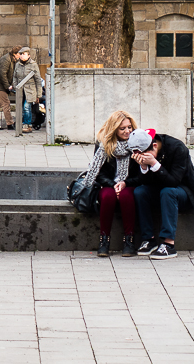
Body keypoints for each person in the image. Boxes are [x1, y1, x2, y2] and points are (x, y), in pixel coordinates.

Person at [127, 128, 194, 259]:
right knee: (140, 192)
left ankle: (169, 244)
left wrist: (154, 164)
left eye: (145, 156)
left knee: (168, 192)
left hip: (183, 191)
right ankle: (148, 239)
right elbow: (142, 181)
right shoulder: (140, 151)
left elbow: (174, 181)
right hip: (159, 191)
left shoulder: (177, 148)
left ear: (155, 146)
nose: (143, 159)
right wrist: (144, 168)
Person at [80, 110, 138, 257]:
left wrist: (124, 183)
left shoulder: (137, 143)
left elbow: (140, 173)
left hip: (129, 184)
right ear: (114, 129)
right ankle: (104, 240)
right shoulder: (104, 145)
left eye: (129, 127)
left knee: (126, 196)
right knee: (108, 197)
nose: (127, 131)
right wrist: (113, 184)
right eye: (122, 128)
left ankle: (129, 240)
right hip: (108, 184)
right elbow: (97, 172)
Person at [12, 47, 44, 133]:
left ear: (28, 55)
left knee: (26, 107)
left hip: (30, 90)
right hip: (20, 90)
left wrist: (39, 95)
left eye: (24, 54)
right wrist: (15, 86)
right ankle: (22, 124)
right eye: (21, 54)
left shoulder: (33, 65)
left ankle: (27, 125)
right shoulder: (18, 64)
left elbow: (38, 80)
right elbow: (15, 76)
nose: (22, 56)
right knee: (21, 107)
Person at [0, 46, 19, 130]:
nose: (20, 56)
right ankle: (10, 123)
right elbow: (2, 74)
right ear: (14, 54)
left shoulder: (11, 59)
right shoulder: (6, 59)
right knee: (6, 104)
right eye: (20, 54)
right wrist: (7, 86)